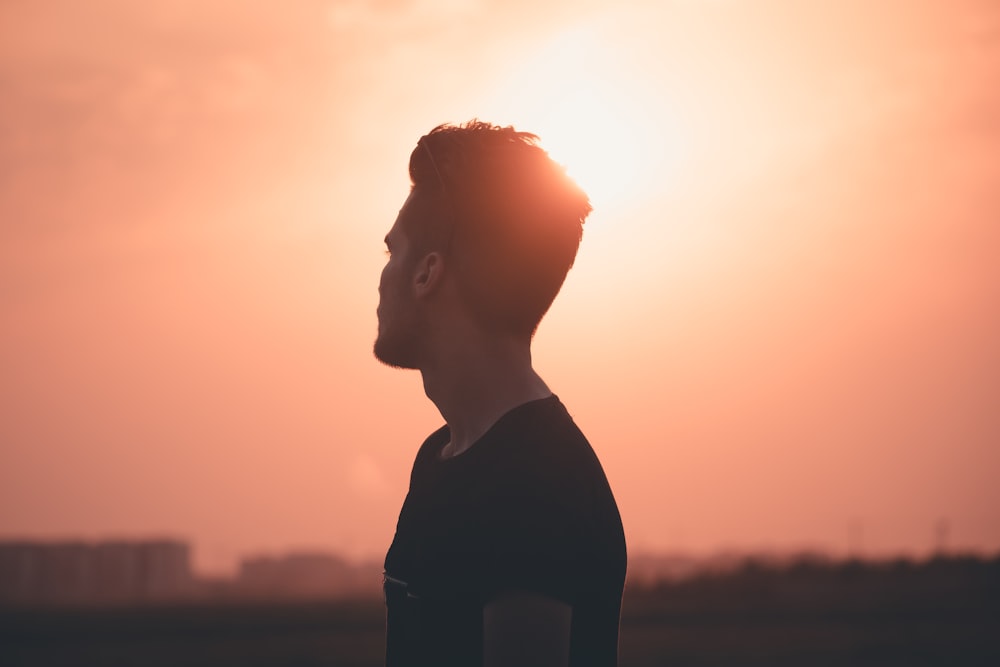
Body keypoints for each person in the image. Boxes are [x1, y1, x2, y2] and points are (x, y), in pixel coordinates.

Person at [375, 121, 626, 667]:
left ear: (427, 273)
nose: (382, 275)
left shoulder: (533, 477)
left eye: (393, 252)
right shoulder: (440, 457)